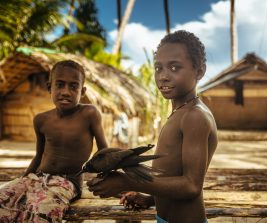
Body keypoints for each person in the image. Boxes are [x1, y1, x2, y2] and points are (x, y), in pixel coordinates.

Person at [87, 30, 218, 223]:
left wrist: (127, 181)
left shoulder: (194, 116)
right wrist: (150, 199)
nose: (163, 76)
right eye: (158, 68)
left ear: (199, 71)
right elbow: (173, 175)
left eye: (174, 68)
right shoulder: (180, 112)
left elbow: (191, 186)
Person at [0, 60, 108, 222]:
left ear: (82, 91)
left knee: (42, 212)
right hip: (37, 177)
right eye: (60, 85)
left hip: (68, 182)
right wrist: (23, 180)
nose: (66, 92)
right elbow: (39, 156)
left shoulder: (89, 114)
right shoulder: (41, 120)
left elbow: (103, 152)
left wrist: (107, 179)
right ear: (49, 87)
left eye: (73, 86)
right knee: (3, 199)